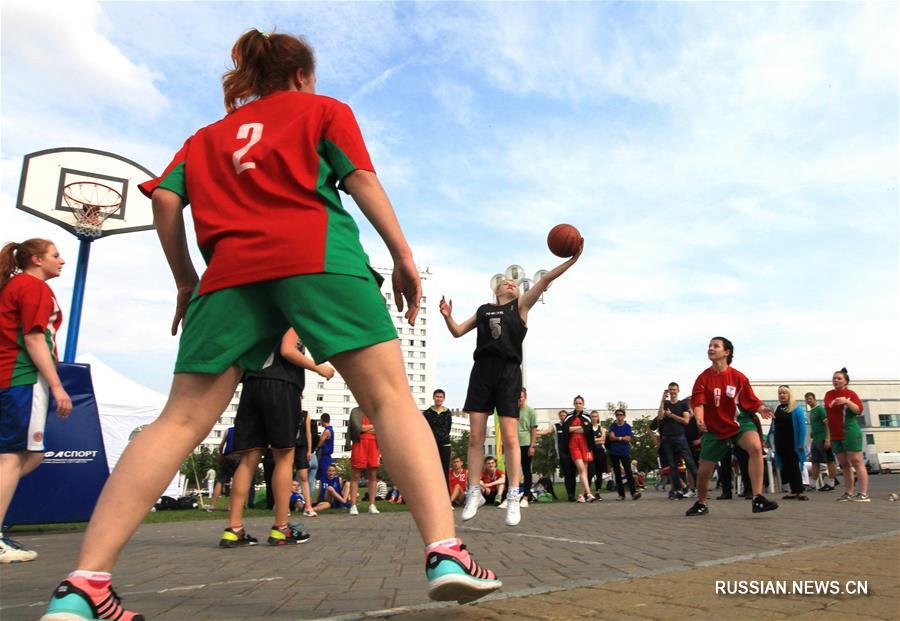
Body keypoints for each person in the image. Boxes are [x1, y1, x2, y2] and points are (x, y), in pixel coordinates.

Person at [41, 30, 499, 620]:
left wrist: (185, 278)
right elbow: (360, 180)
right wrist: (403, 256)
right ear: (303, 77)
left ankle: (85, 584)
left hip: (229, 273)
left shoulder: (205, 138)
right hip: (317, 257)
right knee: (389, 401)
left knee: (176, 421)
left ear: (253, 80)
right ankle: (445, 551)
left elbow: (162, 203)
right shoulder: (324, 110)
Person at [440, 244, 582, 527]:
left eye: (515, 284)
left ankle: (515, 495)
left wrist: (573, 260)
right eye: (506, 282)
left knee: (510, 438)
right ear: (496, 290)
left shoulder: (520, 307)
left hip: (507, 373)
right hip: (481, 372)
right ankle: (474, 492)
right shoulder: (482, 310)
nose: (510, 283)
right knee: (476, 438)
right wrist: (447, 316)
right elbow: (457, 333)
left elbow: (544, 280)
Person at [219, 329, 327, 548]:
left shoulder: (259, 319)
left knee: (249, 459)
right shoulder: (288, 314)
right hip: (280, 385)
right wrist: (319, 368)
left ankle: (234, 529)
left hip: (252, 385)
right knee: (284, 455)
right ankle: (281, 527)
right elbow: (287, 350)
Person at [0, 239, 72, 564]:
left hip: (11, 378)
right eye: (55, 255)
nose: (61, 261)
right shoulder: (33, 287)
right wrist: (57, 386)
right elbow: (33, 338)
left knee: (31, 455)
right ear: (36, 259)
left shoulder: (14, 285)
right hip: (22, 379)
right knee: (13, 459)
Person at [685, 336, 778, 517]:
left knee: (756, 447)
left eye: (716, 346)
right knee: (704, 472)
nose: (711, 348)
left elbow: (749, 399)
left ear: (726, 352)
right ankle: (701, 502)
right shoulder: (703, 378)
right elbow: (698, 402)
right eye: (709, 346)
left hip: (738, 423)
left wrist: (761, 408)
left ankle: (758, 498)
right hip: (714, 427)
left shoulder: (738, 377)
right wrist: (700, 419)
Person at [824, 368, 868, 502]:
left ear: (846, 381)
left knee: (856, 461)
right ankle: (849, 492)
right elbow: (829, 410)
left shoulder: (850, 394)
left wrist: (847, 402)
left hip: (849, 432)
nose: (836, 380)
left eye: (839, 378)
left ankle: (863, 493)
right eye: (834, 378)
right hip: (836, 434)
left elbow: (859, 410)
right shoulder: (828, 394)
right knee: (844, 464)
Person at [651, 382, 698, 500]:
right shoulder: (666, 404)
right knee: (672, 466)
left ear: (678, 390)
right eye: (670, 390)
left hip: (680, 436)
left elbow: (686, 421)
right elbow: (660, 417)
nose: (672, 392)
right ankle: (678, 490)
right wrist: (662, 400)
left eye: (674, 389)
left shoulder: (682, 404)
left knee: (690, 462)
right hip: (667, 438)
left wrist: (671, 415)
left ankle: (700, 488)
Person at [766, 385, 808, 501]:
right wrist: (768, 440)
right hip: (780, 442)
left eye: (784, 393)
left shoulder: (796, 408)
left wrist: (800, 442)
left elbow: (802, 427)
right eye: (780, 393)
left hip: (793, 443)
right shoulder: (778, 408)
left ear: (789, 394)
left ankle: (799, 490)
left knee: (794, 466)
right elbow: (773, 426)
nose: (782, 395)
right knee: (786, 467)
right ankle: (793, 491)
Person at [563, 396, 596, 502]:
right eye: (576, 403)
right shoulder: (569, 416)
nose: (578, 405)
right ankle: (589, 494)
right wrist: (579, 428)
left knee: (584, 470)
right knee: (581, 469)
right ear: (574, 404)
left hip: (585, 444)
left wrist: (574, 429)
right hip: (574, 444)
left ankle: (581, 495)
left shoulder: (587, 416)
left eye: (580, 403)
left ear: (583, 404)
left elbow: (588, 430)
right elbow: (566, 429)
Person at [348, 411, 380, 515]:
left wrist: (366, 428)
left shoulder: (376, 412)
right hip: (359, 444)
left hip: (374, 444)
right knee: (355, 475)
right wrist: (372, 427)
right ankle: (353, 505)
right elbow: (358, 428)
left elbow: (380, 428)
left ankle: (372, 504)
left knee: (373, 475)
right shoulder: (356, 412)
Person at [607, 409, 641, 501]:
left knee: (629, 472)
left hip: (624, 452)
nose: (619, 416)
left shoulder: (627, 426)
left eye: (621, 415)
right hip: (614, 452)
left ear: (624, 416)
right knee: (617, 474)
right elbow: (611, 437)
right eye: (617, 415)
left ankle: (633, 493)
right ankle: (621, 495)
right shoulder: (613, 426)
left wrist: (617, 438)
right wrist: (622, 438)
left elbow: (628, 438)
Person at [422, 389, 452, 492]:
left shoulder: (447, 412)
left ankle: (447, 500)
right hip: (431, 445)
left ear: (443, 399)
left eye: (441, 397)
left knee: (444, 471)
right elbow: (425, 429)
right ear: (433, 397)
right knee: (431, 471)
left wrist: (443, 437)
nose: (439, 399)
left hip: (445, 445)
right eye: (437, 396)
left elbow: (448, 428)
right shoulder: (427, 413)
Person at [806, 392, 836, 491]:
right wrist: (811, 434)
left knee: (829, 460)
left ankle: (831, 483)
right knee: (815, 461)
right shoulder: (811, 412)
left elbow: (827, 424)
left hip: (823, 438)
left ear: (814, 399)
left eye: (810, 398)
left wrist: (828, 439)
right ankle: (813, 484)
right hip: (815, 440)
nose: (808, 401)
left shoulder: (820, 410)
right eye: (806, 399)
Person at [294, 409, 319, 516]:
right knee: (286, 477)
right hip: (289, 445)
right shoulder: (286, 410)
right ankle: (282, 506)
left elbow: (308, 433)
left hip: (301, 447)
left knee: (304, 476)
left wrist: (309, 450)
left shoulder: (305, 415)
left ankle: (308, 507)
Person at [517, 388, 537, 504]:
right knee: (511, 471)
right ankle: (509, 496)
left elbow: (533, 430)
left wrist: (532, 446)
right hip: (513, 445)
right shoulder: (512, 410)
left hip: (526, 444)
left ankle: (526, 496)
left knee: (526, 470)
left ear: (525, 397)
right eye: (517, 396)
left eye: (521, 396)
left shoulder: (530, 411)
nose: (519, 399)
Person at [589, 411, 607, 496]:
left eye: (595, 416)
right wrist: (597, 439)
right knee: (590, 472)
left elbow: (603, 440)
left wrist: (593, 440)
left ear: (598, 418)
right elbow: (587, 440)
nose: (594, 418)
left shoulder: (602, 429)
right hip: (590, 452)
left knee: (599, 473)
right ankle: (587, 492)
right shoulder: (588, 428)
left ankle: (597, 492)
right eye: (592, 416)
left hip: (600, 452)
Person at [315, 413, 334, 484]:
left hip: (324, 456)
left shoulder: (327, 431)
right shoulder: (331, 429)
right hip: (327, 456)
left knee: (325, 476)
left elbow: (320, 443)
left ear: (322, 420)